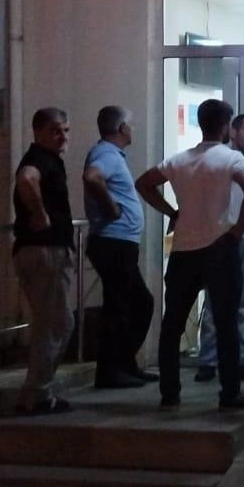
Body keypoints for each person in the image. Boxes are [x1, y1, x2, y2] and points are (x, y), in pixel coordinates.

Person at [135, 99, 244, 412]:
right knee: (227, 322)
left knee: (172, 324)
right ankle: (230, 392)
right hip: (220, 247)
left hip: (183, 251)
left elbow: (144, 183)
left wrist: (172, 212)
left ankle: (169, 392)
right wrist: (237, 229)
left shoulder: (179, 160)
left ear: (202, 123)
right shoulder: (230, 158)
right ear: (226, 127)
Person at [82, 106, 156, 390]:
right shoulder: (107, 154)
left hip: (119, 243)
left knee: (132, 304)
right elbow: (92, 177)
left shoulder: (111, 154)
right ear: (122, 128)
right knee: (125, 306)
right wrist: (111, 208)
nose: (133, 129)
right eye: (131, 125)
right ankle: (111, 371)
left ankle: (124, 365)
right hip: (113, 242)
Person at [12, 107, 77, 415]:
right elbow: (26, 179)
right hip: (45, 251)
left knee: (55, 323)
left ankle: (37, 391)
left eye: (65, 130)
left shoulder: (47, 160)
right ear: (38, 132)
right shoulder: (40, 160)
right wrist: (39, 214)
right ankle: (37, 395)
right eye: (55, 130)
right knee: (55, 325)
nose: (62, 136)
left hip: (41, 250)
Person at [193, 113, 244, 383]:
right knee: (214, 301)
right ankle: (208, 360)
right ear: (232, 131)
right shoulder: (220, 160)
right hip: (220, 237)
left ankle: (242, 359)